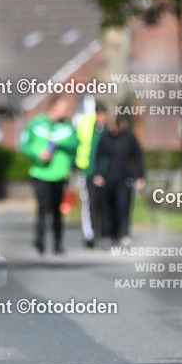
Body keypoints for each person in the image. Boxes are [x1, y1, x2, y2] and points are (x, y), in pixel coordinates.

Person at [19, 93, 79, 256]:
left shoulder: (67, 127)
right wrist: (37, 155)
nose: (67, 111)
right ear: (54, 107)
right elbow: (24, 144)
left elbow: (75, 144)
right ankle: (39, 240)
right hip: (40, 172)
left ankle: (58, 243)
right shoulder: (36, 123)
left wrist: (60, 142)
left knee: (57, 210)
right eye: (64, 108)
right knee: (42, 207)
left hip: (59, 174)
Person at [92, 113, 145, 247]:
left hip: (125, 178)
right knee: (108, 208)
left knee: (123, 207)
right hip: (109, 178)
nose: (113, 129)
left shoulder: (129, 138)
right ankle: (107, 235)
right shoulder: (105, 138)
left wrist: (140, 177)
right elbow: (98, 157)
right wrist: (98, 174)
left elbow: (137, 158)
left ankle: (124, 234)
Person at [75, 102, 108, 248]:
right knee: (89, 204)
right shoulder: (87, 127)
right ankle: (90, 234)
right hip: (88, 171)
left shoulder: (107, 131)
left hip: (104, 173)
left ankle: (104, 233)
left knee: (103, 204)